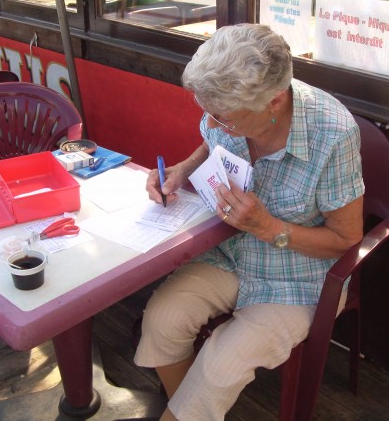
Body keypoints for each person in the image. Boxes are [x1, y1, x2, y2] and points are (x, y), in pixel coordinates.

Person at [134, 23, 365, 420]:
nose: (214, 122)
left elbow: (346, 237)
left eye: (225, 117)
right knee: (162, 320)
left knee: (219, 369)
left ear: (274, 102)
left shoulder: (334, 133)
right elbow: (212, 138)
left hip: (300, 277)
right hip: (231, 252)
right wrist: (182, 169)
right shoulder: (231, 114)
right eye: (208, 111)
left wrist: (267, 227)